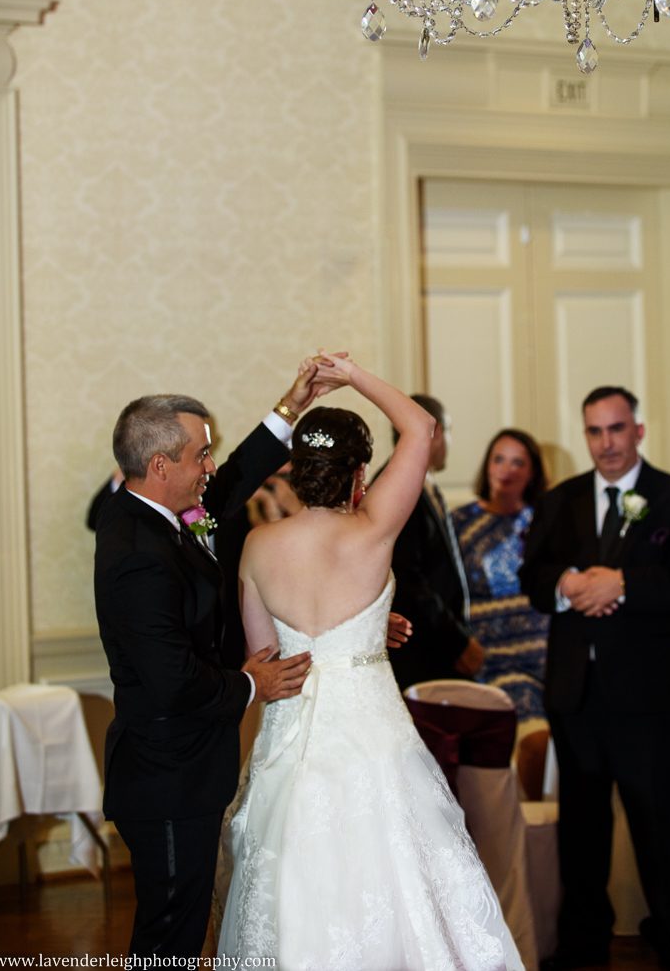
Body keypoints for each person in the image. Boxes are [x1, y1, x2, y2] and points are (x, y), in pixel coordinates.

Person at [217, 354, 523, 970]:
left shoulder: (258, 545)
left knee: (296, 887)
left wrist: (343, 636)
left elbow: (266, 659)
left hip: (291, 743)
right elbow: (420, 430)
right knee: (401, 880)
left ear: (297, 472)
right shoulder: (376, 529)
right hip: (373, 738)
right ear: (360, 473)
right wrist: (353, 374)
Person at [93, 372, 319, 957]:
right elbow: (171, 679)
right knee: (170, 933)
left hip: (180, 771)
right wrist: (252, 682)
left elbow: (232, 482)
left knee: (184, 924)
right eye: (202, 454)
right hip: (166, 777)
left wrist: (287, 410)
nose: (211, 466)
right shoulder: (138, 553)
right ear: (162, 466)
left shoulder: (158, 513)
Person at [520, 385, 670, 971]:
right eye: (595, 432)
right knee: (583, 829)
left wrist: (622, 584)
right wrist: (569, 586)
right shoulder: (562, 500)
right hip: (576, 694)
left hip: (648, 695)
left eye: (616, 429)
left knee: (657, 824)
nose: (606, 443)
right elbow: (534, 575)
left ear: (638, 430)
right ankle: (584, 943)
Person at [387, 394, 484, 691]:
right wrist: (457, 642)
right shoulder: (398, 488)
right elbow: (408, 578)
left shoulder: (421, 483)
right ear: (438, 431)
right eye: (450, 431)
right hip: (421, 652)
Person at [452, 428, 550, 719]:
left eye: (517, 462)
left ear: (532, 472)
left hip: (543, 654)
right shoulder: (460, 523)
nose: (506, 470)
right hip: (487, 658)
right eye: (499, 460)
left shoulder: (544, 521)